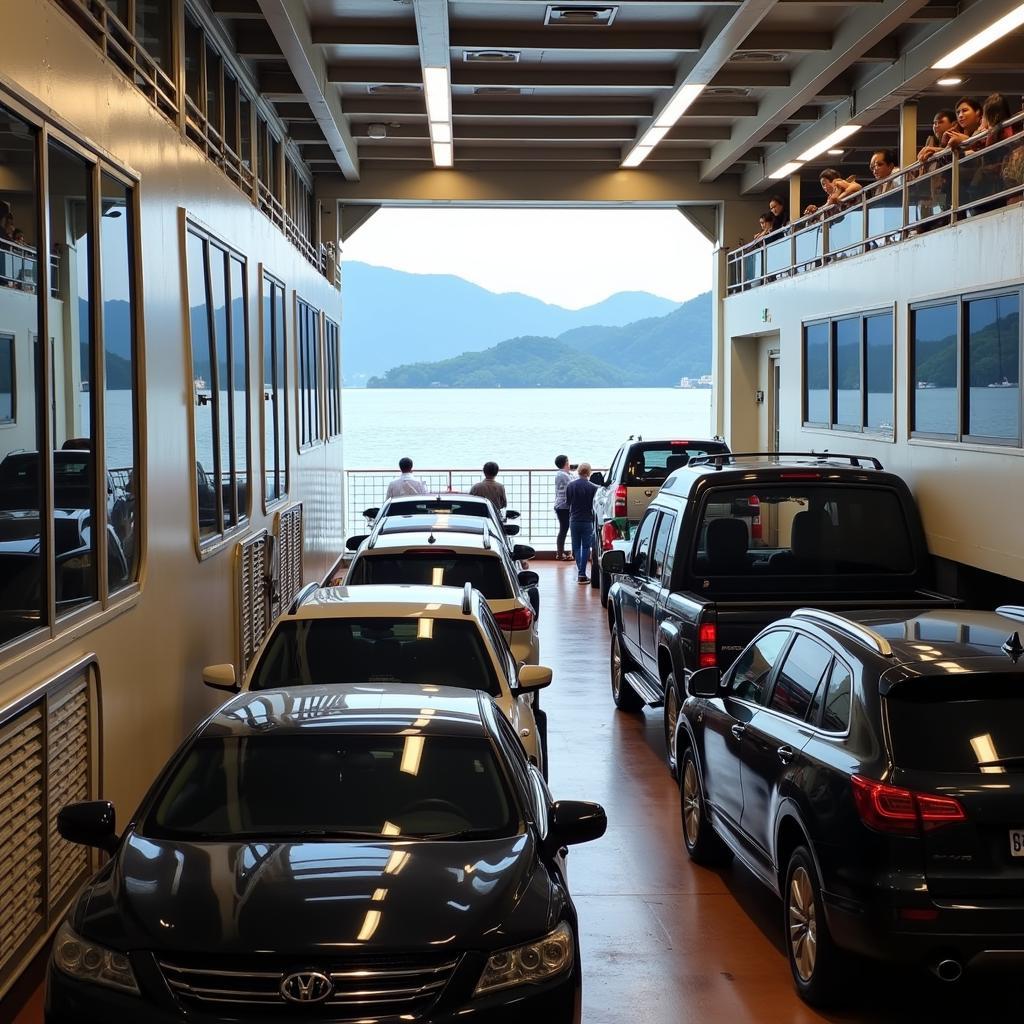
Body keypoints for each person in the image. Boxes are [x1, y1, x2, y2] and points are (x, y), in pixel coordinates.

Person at [565, 462, 598, 584]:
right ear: (589, 472)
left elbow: (568, 503)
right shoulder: (594, 487)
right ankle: (582, 574)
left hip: (573, 519)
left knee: (576, 546)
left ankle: (581, 573)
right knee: (586, 547)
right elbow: (594, 506)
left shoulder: (571, 485)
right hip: (587, 520)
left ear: (578, 471)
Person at [552, 455, 573, 560]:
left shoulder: (562, 474)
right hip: (563, 506)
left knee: (564, 529)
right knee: (564, 529)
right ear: (566, 462)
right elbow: (573, 484)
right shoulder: (563, 475)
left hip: (562, 505)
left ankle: (560, 552)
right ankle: (560, 554)